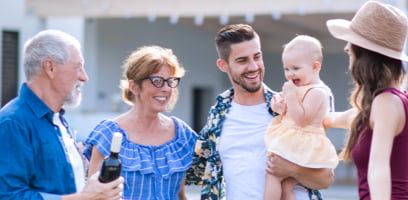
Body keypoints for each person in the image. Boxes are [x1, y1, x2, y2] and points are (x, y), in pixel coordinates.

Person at [185, 24, 334, 200]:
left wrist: (292, 169)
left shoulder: (288, 108)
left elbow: (326, 178)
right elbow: (195, 172)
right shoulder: (217, 117)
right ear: (223, 65)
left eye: (257, 57)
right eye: (243, 60)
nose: (254, 66)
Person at [0, 29, 124, 199]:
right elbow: (8, 196)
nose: (84, 77)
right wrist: (85, 197)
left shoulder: (57, 119)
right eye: (78, 67)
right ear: (50, 68)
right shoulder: (13, 122)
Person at [83, 45, 197, 200]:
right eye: (156, 81)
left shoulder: (182, 134)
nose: (165, 88)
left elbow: (180, 194)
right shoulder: (108, 134)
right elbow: (93, 196)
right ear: (134, 86)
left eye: (170, 81)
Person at [325, 1, 408, 199]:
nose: (346, 48)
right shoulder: (388, 103)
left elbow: (378, 169)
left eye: (351, 42)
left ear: (365, 52)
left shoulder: (386, 104)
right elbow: (348, 118)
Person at [263, 35, 338, 200]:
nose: (290, 74)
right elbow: (288, 112)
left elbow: (301, 119)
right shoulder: (299, 87)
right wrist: (278, 106)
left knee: (273, 174)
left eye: (296, 68)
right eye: (286, 69)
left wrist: (290, 96)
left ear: (315, 67)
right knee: (287, 184)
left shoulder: (317, 92)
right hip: (295, 139)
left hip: (302, 141)